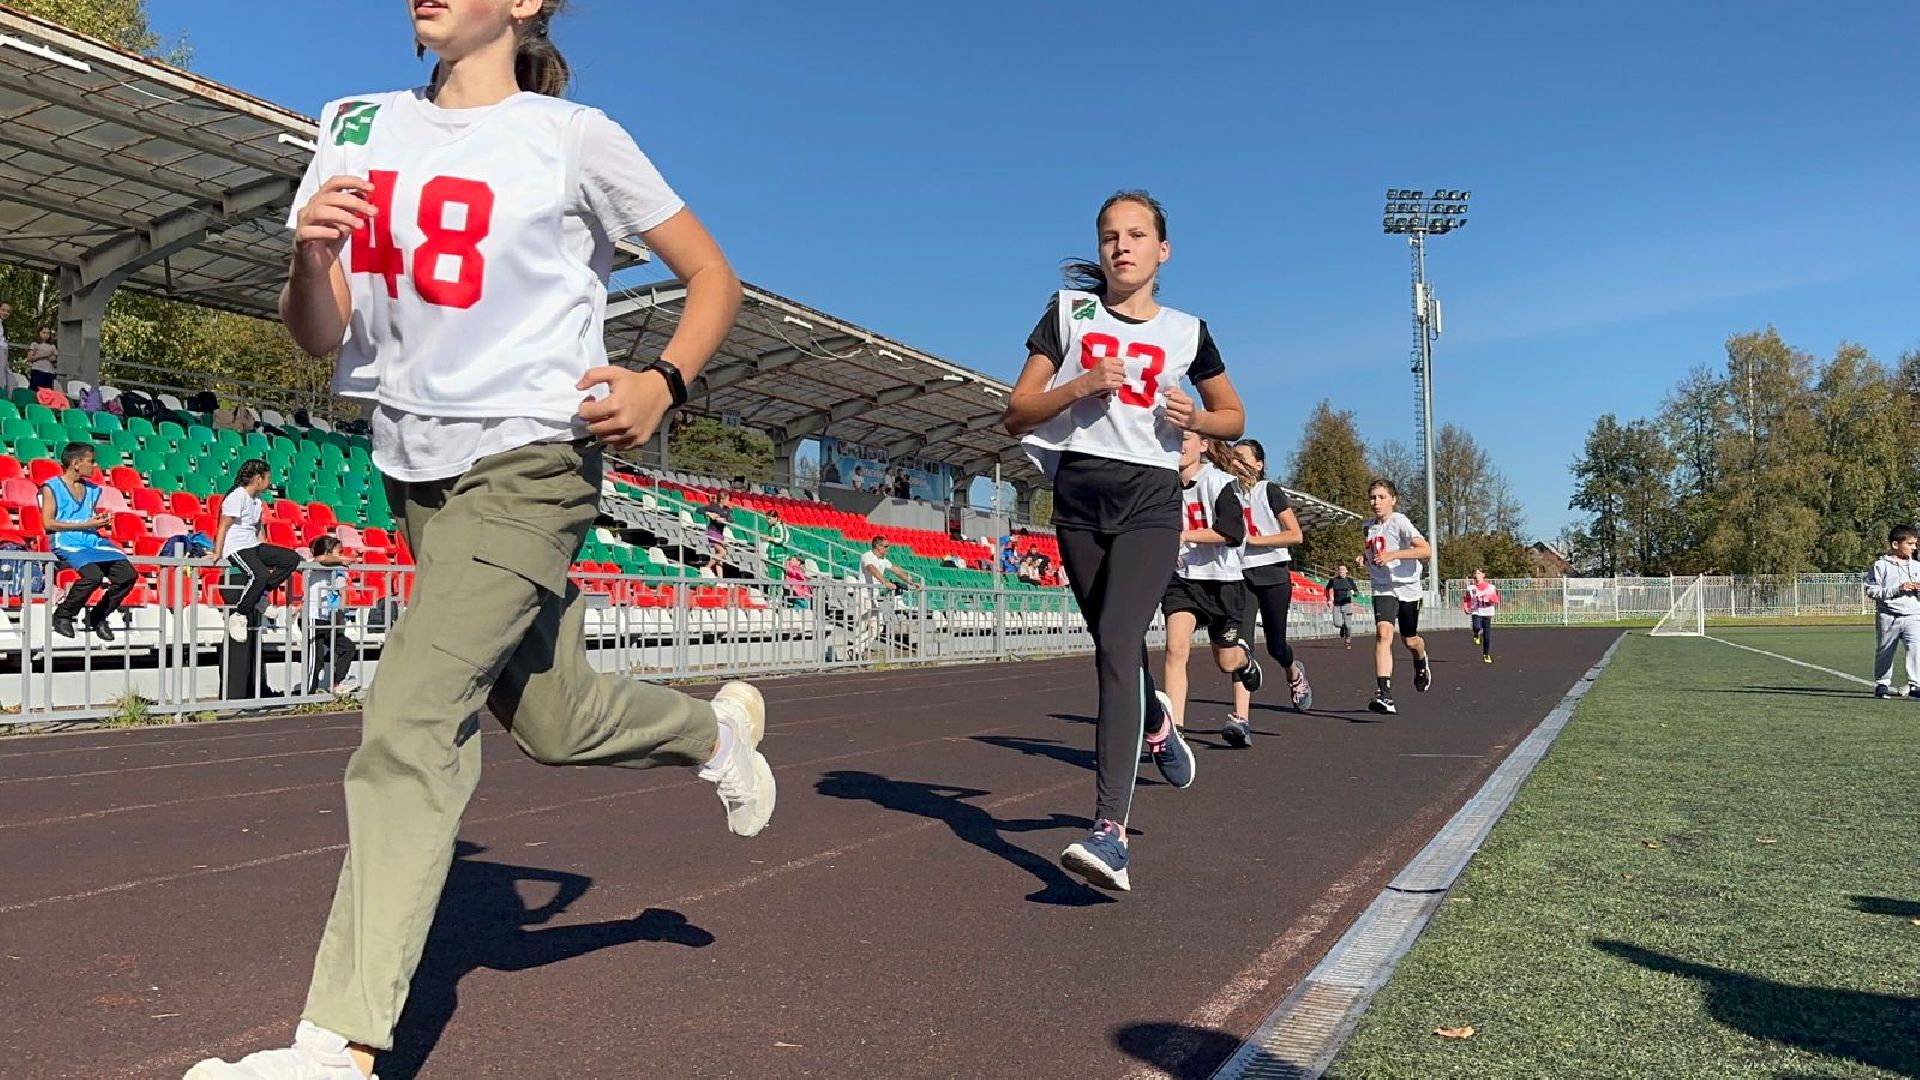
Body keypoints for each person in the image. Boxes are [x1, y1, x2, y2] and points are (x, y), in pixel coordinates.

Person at [185, 5, 767, 1077]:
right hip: (413, 474)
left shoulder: (575, 137)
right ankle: (713, 737)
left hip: (535, 465)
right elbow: (321, 332)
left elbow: (712, 278)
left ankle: (338, 1047)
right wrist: (312, 261)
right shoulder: (354, 124)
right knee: (555, 718)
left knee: (409, 718)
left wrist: (661, 380)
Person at [1004, 189, 1246, 892]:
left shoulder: (1188, 331)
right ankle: (1159, 729)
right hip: (1078, 496)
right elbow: (1016, 412)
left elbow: (1234, 414)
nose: (1121, 246)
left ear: (1162, 250)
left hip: (1149, 499)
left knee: (1115, 644)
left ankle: (1110, 832)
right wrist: (1079, 384)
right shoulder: (1067, 314)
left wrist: (1199, 416)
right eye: (1110, 235)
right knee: (1114, 644)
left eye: (1137, 235)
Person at [1161, 433, 1260, 743]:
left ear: (1203, 445)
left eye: (1185, 438)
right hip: (1183, 579)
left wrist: (1186, 535)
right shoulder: (1162, 484)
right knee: (1176, 648)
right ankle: (1174, 732)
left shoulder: (1219, 483)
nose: (1178, 444)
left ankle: (1245, 660)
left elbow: (1232, 531)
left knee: (1226, 661)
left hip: (1223, 582)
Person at [1233, 439, 1311, 726]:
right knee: (1240, 646)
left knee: (1276, 646)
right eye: (1232, 458)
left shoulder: (1269, 491)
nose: (1236, 463)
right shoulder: (1228, 493)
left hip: (1274, 573)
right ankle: (1240, 718)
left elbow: (1295, 535)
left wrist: (1256, 540)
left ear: (1258, 464)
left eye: (1242, 458)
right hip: (1241, 574)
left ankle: (1293, 672)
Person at [40, 442, 136, 641]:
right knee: (93, 576)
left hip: (92, 540)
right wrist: (85, 524)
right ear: (76, 463)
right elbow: (48, 523)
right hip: (68, 541)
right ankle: (63, 614)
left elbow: (87, 518)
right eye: (91, 461)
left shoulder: (92, 489)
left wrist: (98, 522)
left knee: (127, 575)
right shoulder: (52, 487)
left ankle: (98, 616)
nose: (95, 466)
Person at [1361, 479, 1433, 715]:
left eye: (1381, 497)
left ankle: (1420, 659)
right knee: (1383, 635)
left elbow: (1425, 550)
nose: (1376, 502)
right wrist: (1364, 558)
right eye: (1373, 497)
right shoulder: (1368, 526)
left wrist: (1394, 555)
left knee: (1410, 640)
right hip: (1383, 587)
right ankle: (1385, 694)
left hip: (1408, 587)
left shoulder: (1400, 522)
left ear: (1393, 500)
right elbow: (1373, 550)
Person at [212, 459, 303, 643]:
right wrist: (217, 552)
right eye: (268, 478)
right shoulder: (237, 496)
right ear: (258, 478)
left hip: (253, 545)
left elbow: (258, 530)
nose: (270, 482)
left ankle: (259, 594)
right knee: (259, 575)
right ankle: (240, 615)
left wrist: (266, 551)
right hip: (237, 547)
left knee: (291, 559)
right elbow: (223, 526)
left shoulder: (257, 501)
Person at [1865, 524, 1920, 699]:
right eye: (1910, 544)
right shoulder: (1881, 565)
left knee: (1916, 649)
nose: (1914, 548)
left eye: (1915, 544)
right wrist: (1897, 589)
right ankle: (1882, 684)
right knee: (1885, 650)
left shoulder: (1917, 566)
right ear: (1895, 544)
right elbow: (1872, 591)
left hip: (1913, 615)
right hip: (1888, 616)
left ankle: (1916, 685)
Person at [303, 535, 361, 695]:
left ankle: (337, 682)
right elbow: (321, 560)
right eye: (338, 551)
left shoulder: (337, 569)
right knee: (316, 658)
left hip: (329, 619)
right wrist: (341, 560)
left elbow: (342, 591)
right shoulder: (311, 564)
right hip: (313, 617)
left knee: (347, 647)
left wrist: (341, 609)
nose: (341, 554)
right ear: (328, 551)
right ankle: (308, 692)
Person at [1462, 568, 1501, 664]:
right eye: (1475, 573)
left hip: (1487, 612)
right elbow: (1467, 599)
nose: (1476, 575)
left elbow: (1496, 599)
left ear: (1483, 575)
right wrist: (1466, 607)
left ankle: (1486, 654)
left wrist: (1489, 599)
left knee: (1487, 637)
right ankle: (1476, 634)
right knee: (1476, 626)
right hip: (1476, 611)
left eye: (1479, 573)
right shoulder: (1471, 588)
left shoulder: (1491, 587)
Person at [1326, 563, 1359, 649]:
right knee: (1337, 623)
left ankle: (1348, 640)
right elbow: (1327, 589)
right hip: (1337, 605)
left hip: (1347, 605)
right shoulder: (1334, 580)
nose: (1341, 571)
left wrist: (1353, 593)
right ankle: (1342, 627)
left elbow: (1357, 593)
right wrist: (1329, 600)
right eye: (1340, 570)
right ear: (1338, 571)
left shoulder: (1350, 581)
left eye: (1343, 570)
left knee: (1348, 625)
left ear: (1346, 571)